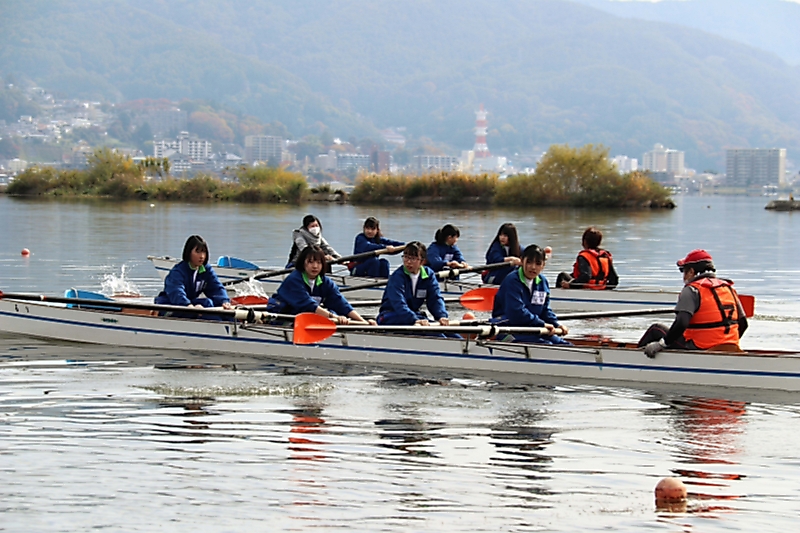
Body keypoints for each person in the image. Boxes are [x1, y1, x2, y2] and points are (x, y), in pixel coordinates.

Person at [639, 249, 748, 358]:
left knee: (656, 329)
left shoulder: (692, 290)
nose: (683, 277)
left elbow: (681, 323)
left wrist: (662, 344)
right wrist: (724, 343)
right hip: (731, 347)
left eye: (683, 271)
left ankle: (633, 360)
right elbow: (743, 323)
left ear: (691, 271)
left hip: (698, 347)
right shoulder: (728, 289)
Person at [267, 245, 374, 325]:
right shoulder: (294, 280)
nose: (315, 266)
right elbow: (309, 306)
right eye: (311, 262)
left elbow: (341, 304)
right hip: (284, 317)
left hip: (308, 318)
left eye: (319, 263)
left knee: (333, 310)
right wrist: (335, 317)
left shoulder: (325, 282)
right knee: (330, 314)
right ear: (303, 263)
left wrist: (364, 322)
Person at [492, 244, 571, 345]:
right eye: (529, 262)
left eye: (538, 263)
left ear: (543, 266)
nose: (533, 267)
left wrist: (556, 324)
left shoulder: (542, 282)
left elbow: (545, 310)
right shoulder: (511, 281)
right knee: (547, 346)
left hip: (533, 329)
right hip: (508, 330)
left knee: (564, 345)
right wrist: (542, 324)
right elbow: (517, 312)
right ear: (521, 261)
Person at [376, 241, 450, 327]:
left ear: (422, 261)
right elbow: (398, 303)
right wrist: (414, 319)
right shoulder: (397, 277)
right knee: (434, 334)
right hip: (390, 316)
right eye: (406, 257)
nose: (408, 262)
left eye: (413, 258)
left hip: (412, 315)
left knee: (451, 334)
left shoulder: (428, 275)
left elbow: (435, 298)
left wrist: (442, 316)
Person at [154, 235, 233, 311]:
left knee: (208, 302)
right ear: (189, 252)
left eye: (204, 252)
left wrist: (224, 301)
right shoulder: (178, 271)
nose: (202, 256)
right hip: (170, 305)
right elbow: (176, 291)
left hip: (190, 303)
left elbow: (216, 288)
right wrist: (188, 305)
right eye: (197, 252)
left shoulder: (206, 270)